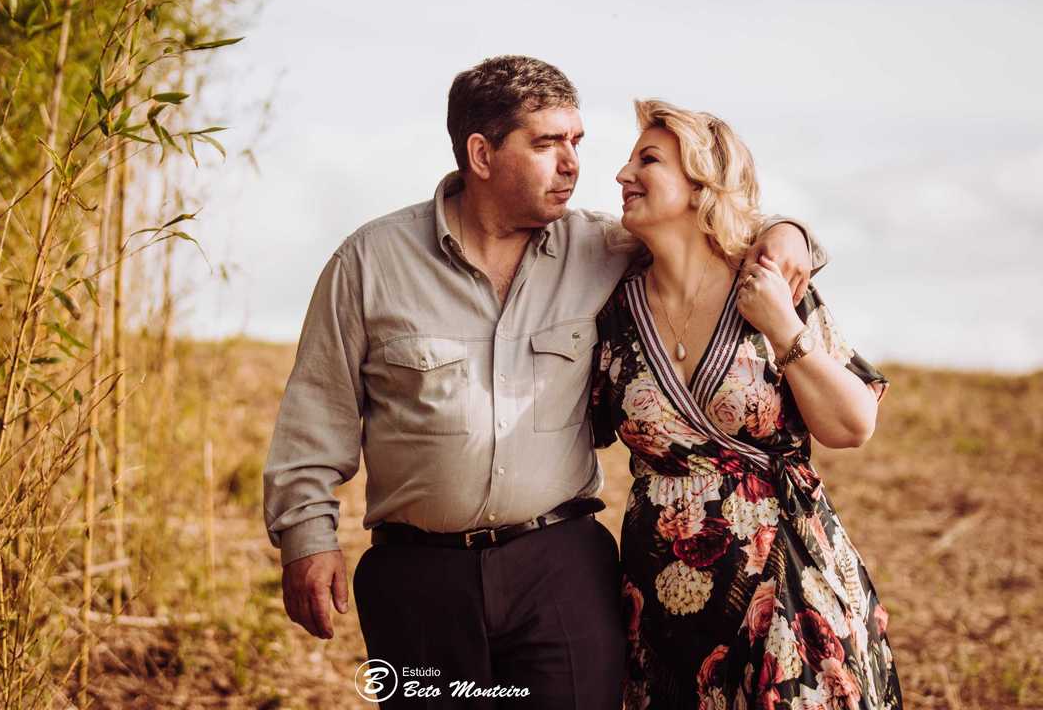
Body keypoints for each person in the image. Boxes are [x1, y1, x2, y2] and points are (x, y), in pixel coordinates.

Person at [262, 56, 824, 708]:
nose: (573, 163)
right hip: (417, 580)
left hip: (559, 568)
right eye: (547, 143)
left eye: (576, 141)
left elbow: (715, 226)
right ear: (481, 152)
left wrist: (790, 235)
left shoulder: (605, 248)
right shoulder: (370, 262)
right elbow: (315, 412)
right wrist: (308, 541)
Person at [590, 99, 902, 710]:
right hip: (663, 593)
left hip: (784, 577)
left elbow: (853, 426)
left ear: (702, 180)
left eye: (647, 160)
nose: (623, 175)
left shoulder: (770, 283)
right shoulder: (613, 305)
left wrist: (784, 328)